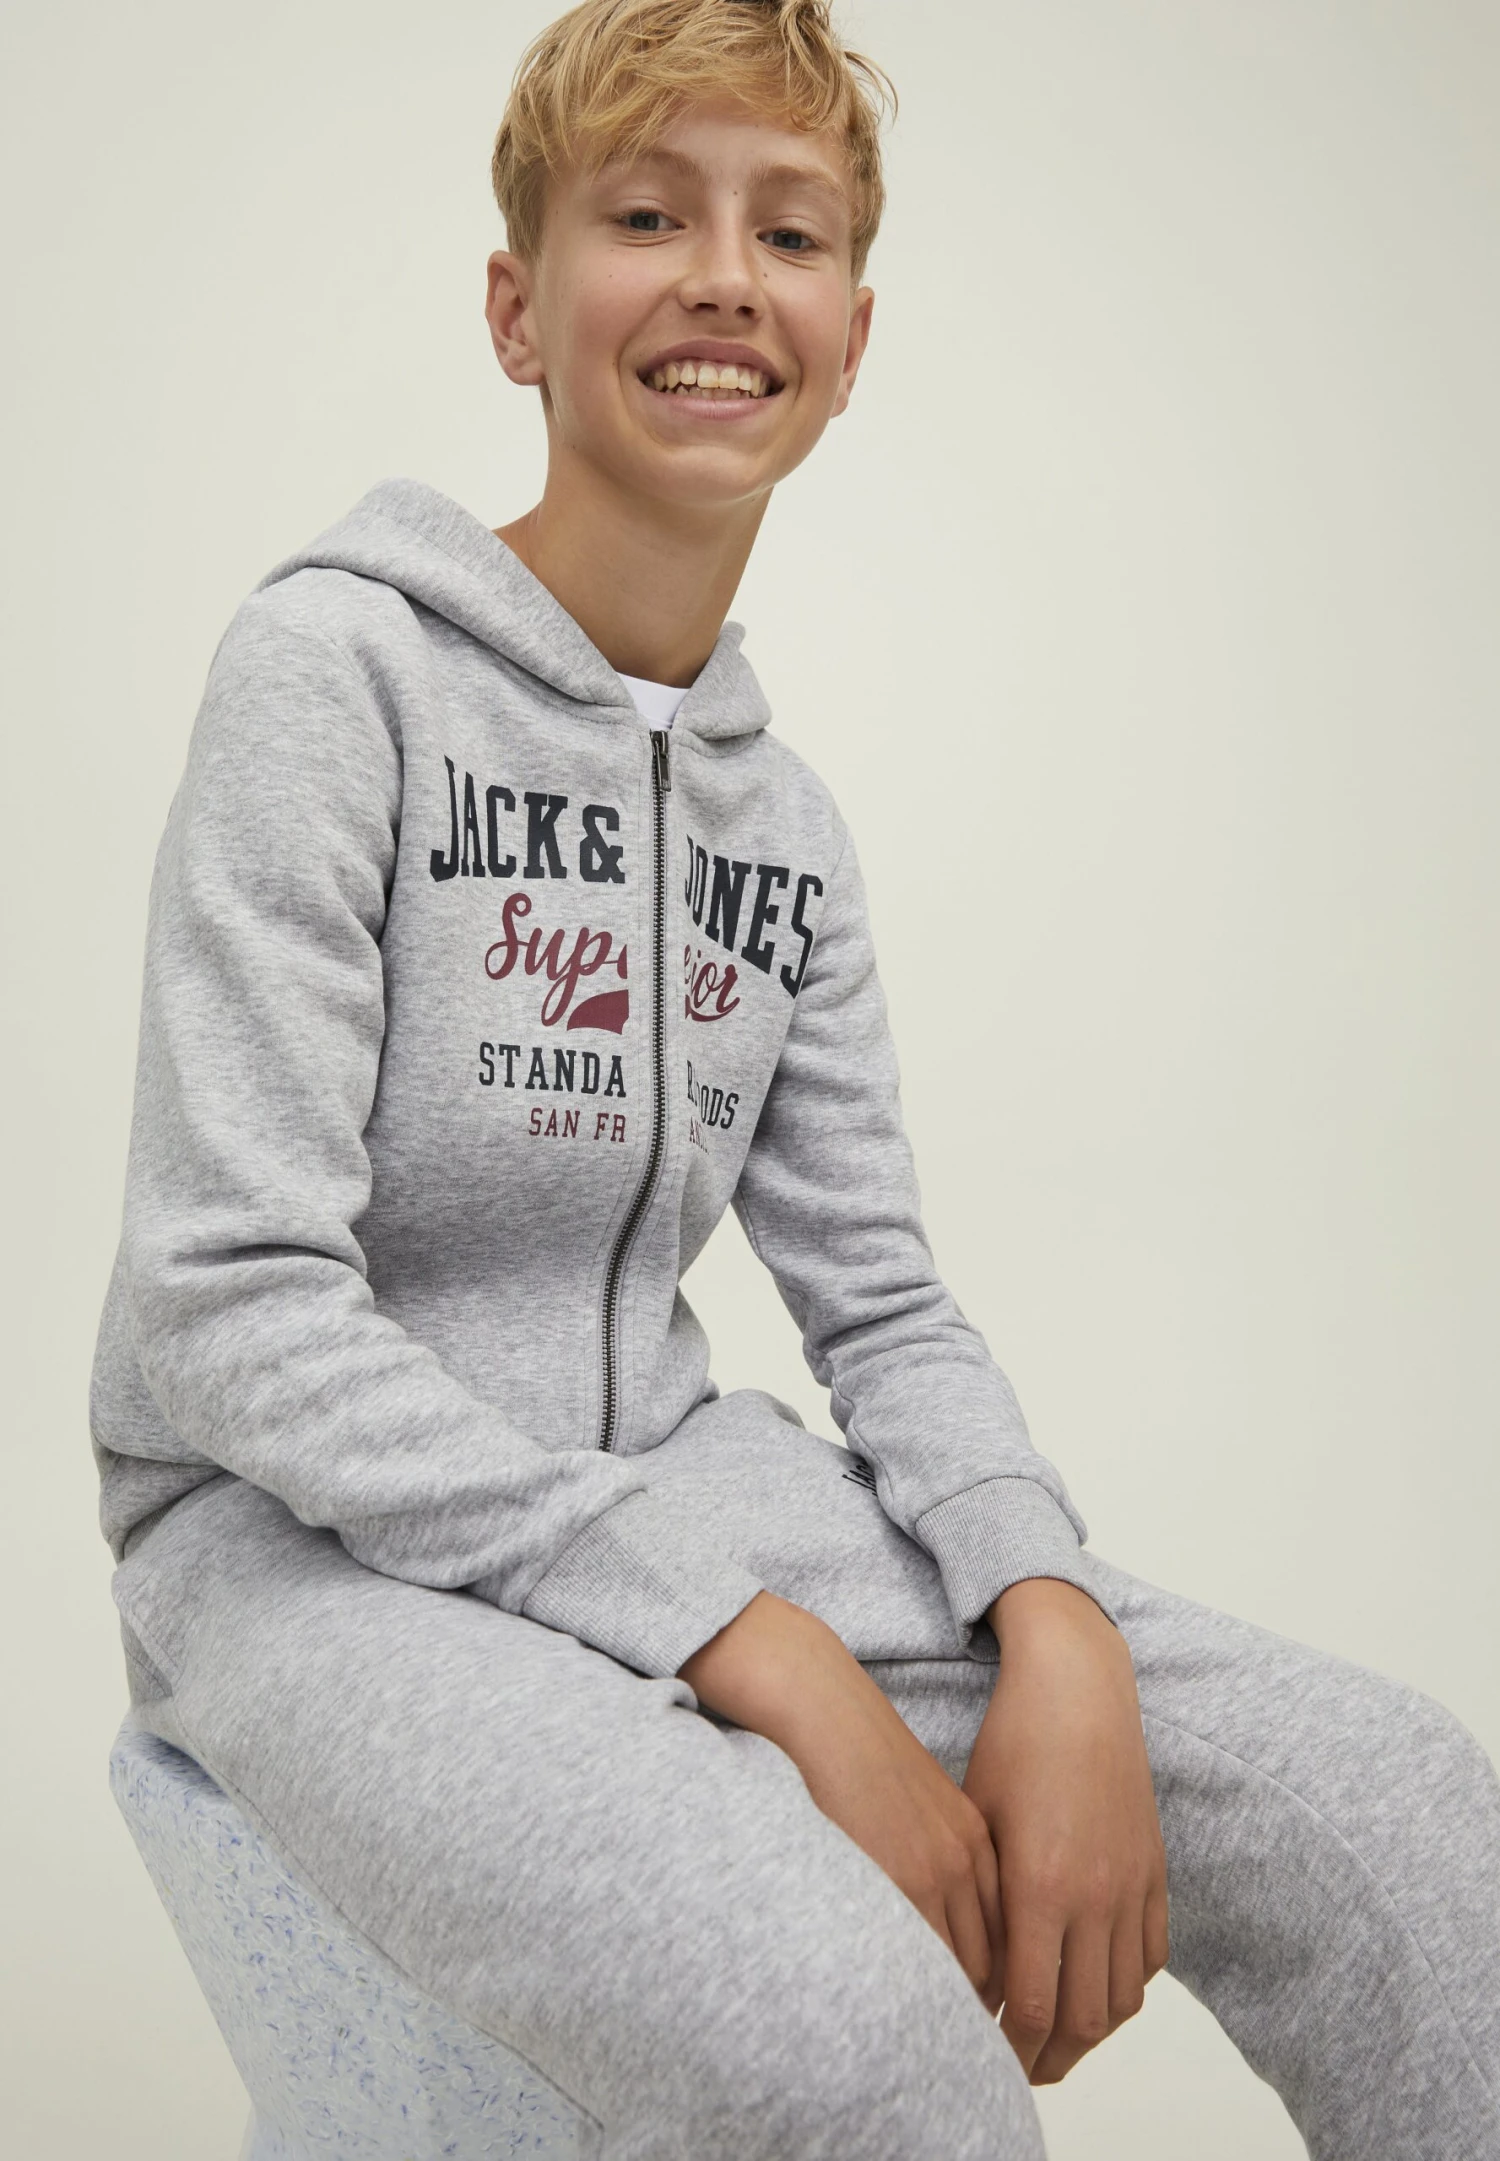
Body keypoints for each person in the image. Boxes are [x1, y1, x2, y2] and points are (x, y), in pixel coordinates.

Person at [92, 3, 1499, 2155]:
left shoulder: (785, 825)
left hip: (665, 1486)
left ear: (850, 341)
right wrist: (758, 1647)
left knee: (1408, 1827)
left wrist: (1052, 1617)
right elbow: (227, 1309)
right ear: (518, 309)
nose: (727, 278)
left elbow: (884, 1301)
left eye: (793, 232)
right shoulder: (336, 676)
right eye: (648, 217)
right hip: (298, 1550)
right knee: (838, 2032)